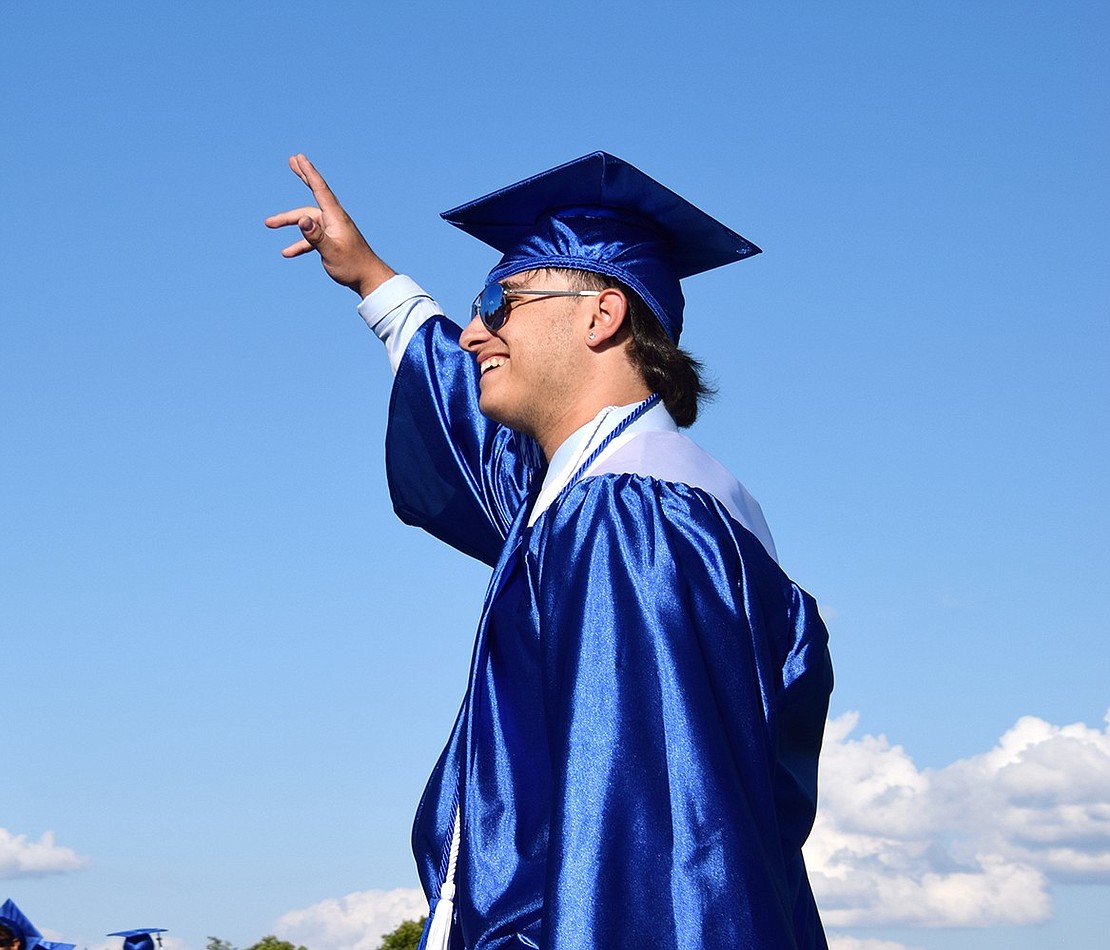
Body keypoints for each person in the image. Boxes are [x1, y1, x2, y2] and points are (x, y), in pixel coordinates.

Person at [267, 151, 833, 950]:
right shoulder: (648, 500)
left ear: (601, 317)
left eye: (502, 305)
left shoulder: (628, 520)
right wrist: (375, 283)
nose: (473, 334)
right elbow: (479, 448)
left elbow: (652, 847)